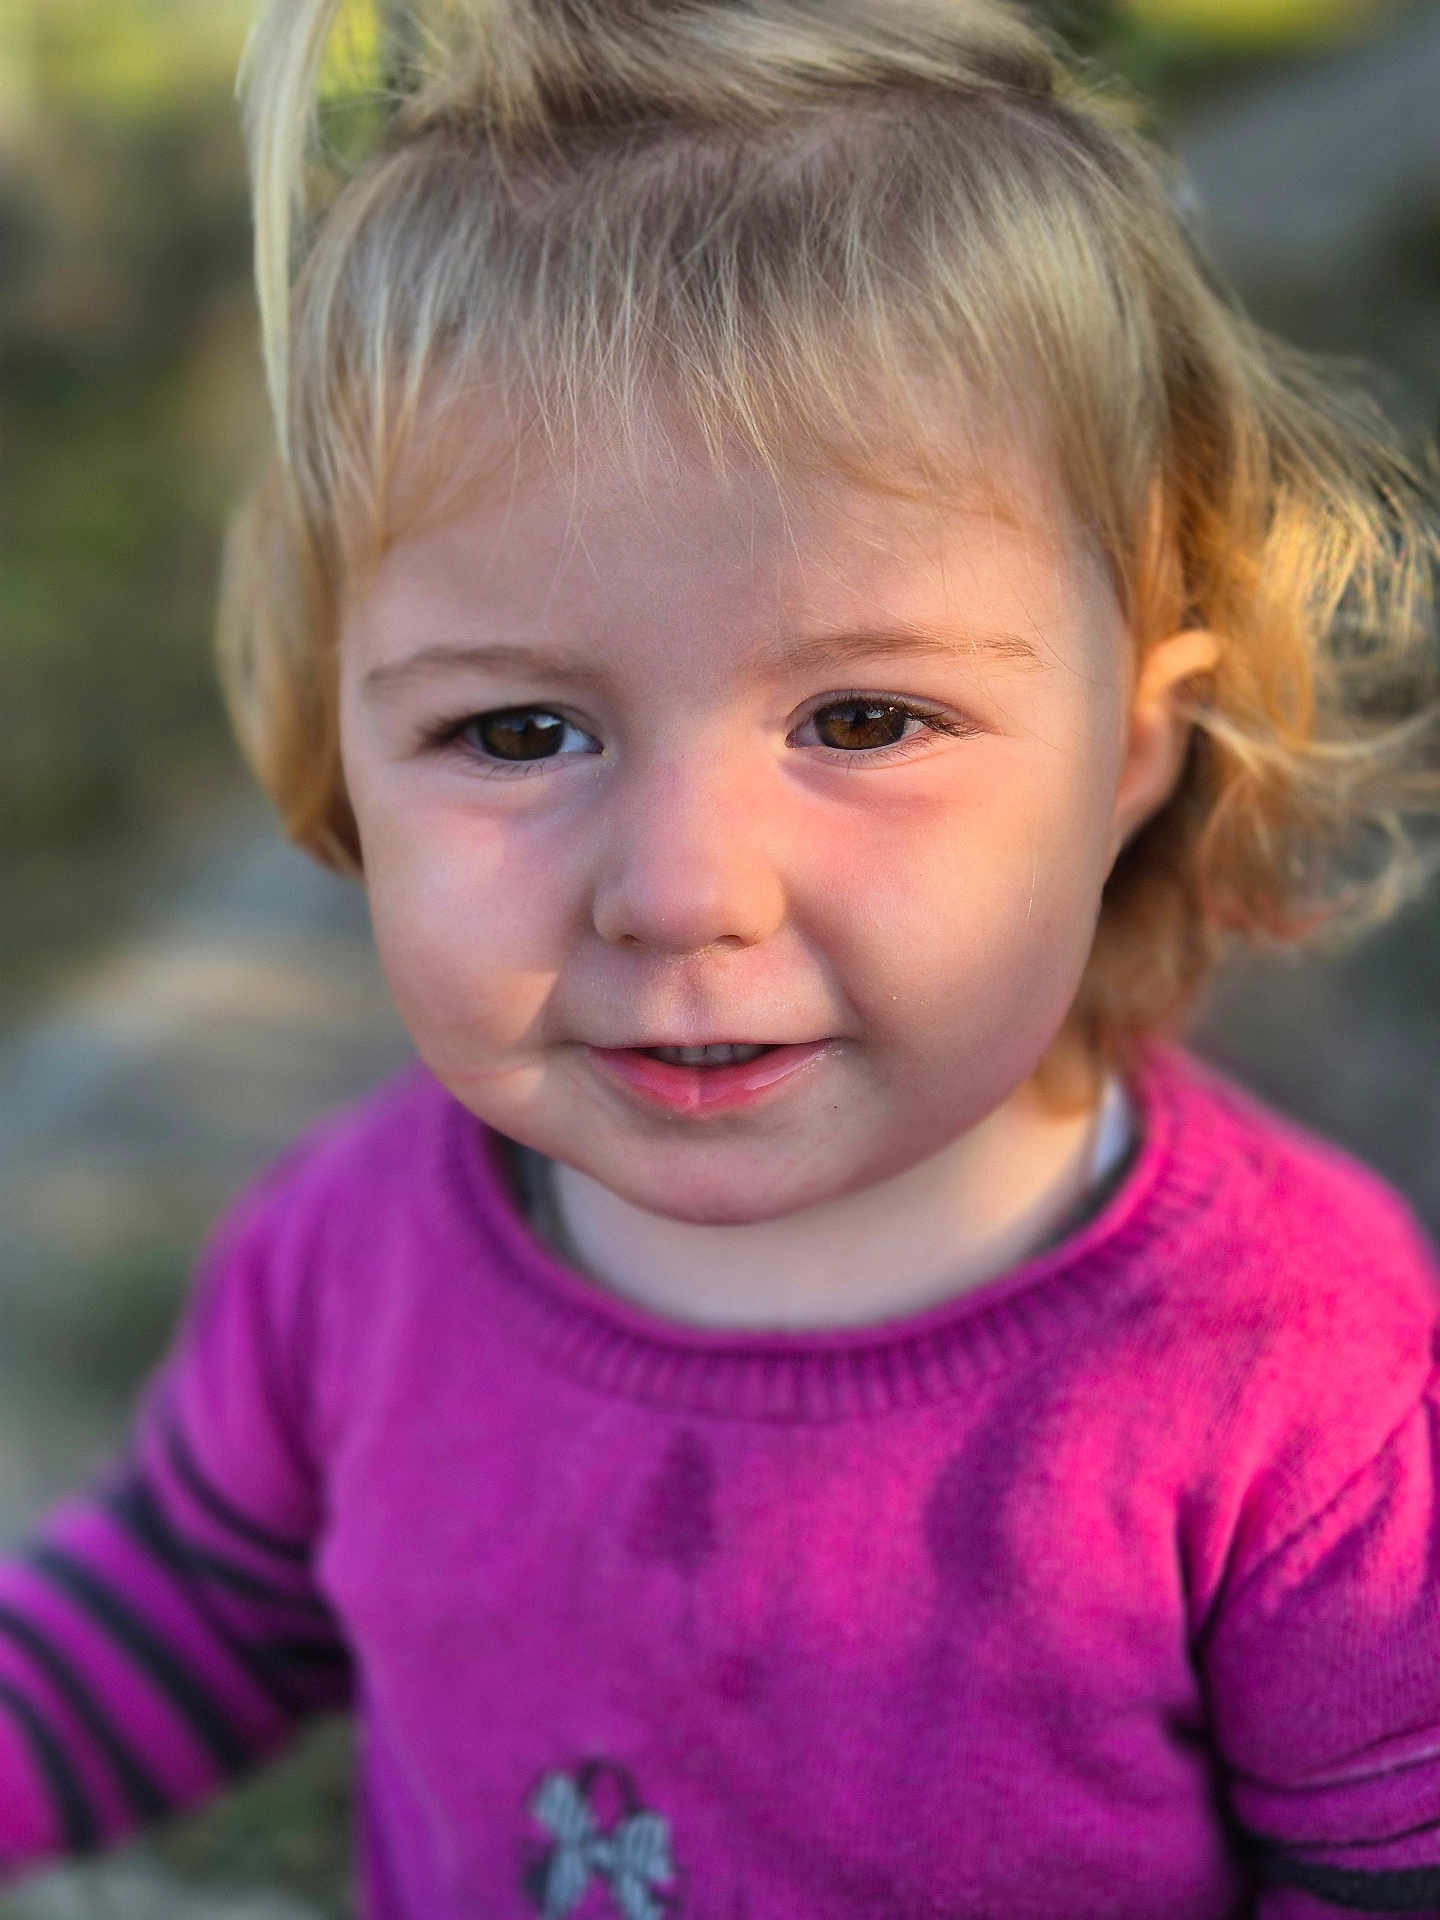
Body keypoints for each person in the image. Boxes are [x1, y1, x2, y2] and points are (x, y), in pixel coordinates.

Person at [3, 0, 1440, 1912]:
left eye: (862, 723)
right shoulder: (349, 1266)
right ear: (337, 743)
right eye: (519, 734)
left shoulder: (1296, 1383)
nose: (682, 893)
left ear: (1129, 753)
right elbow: (178, 1617)